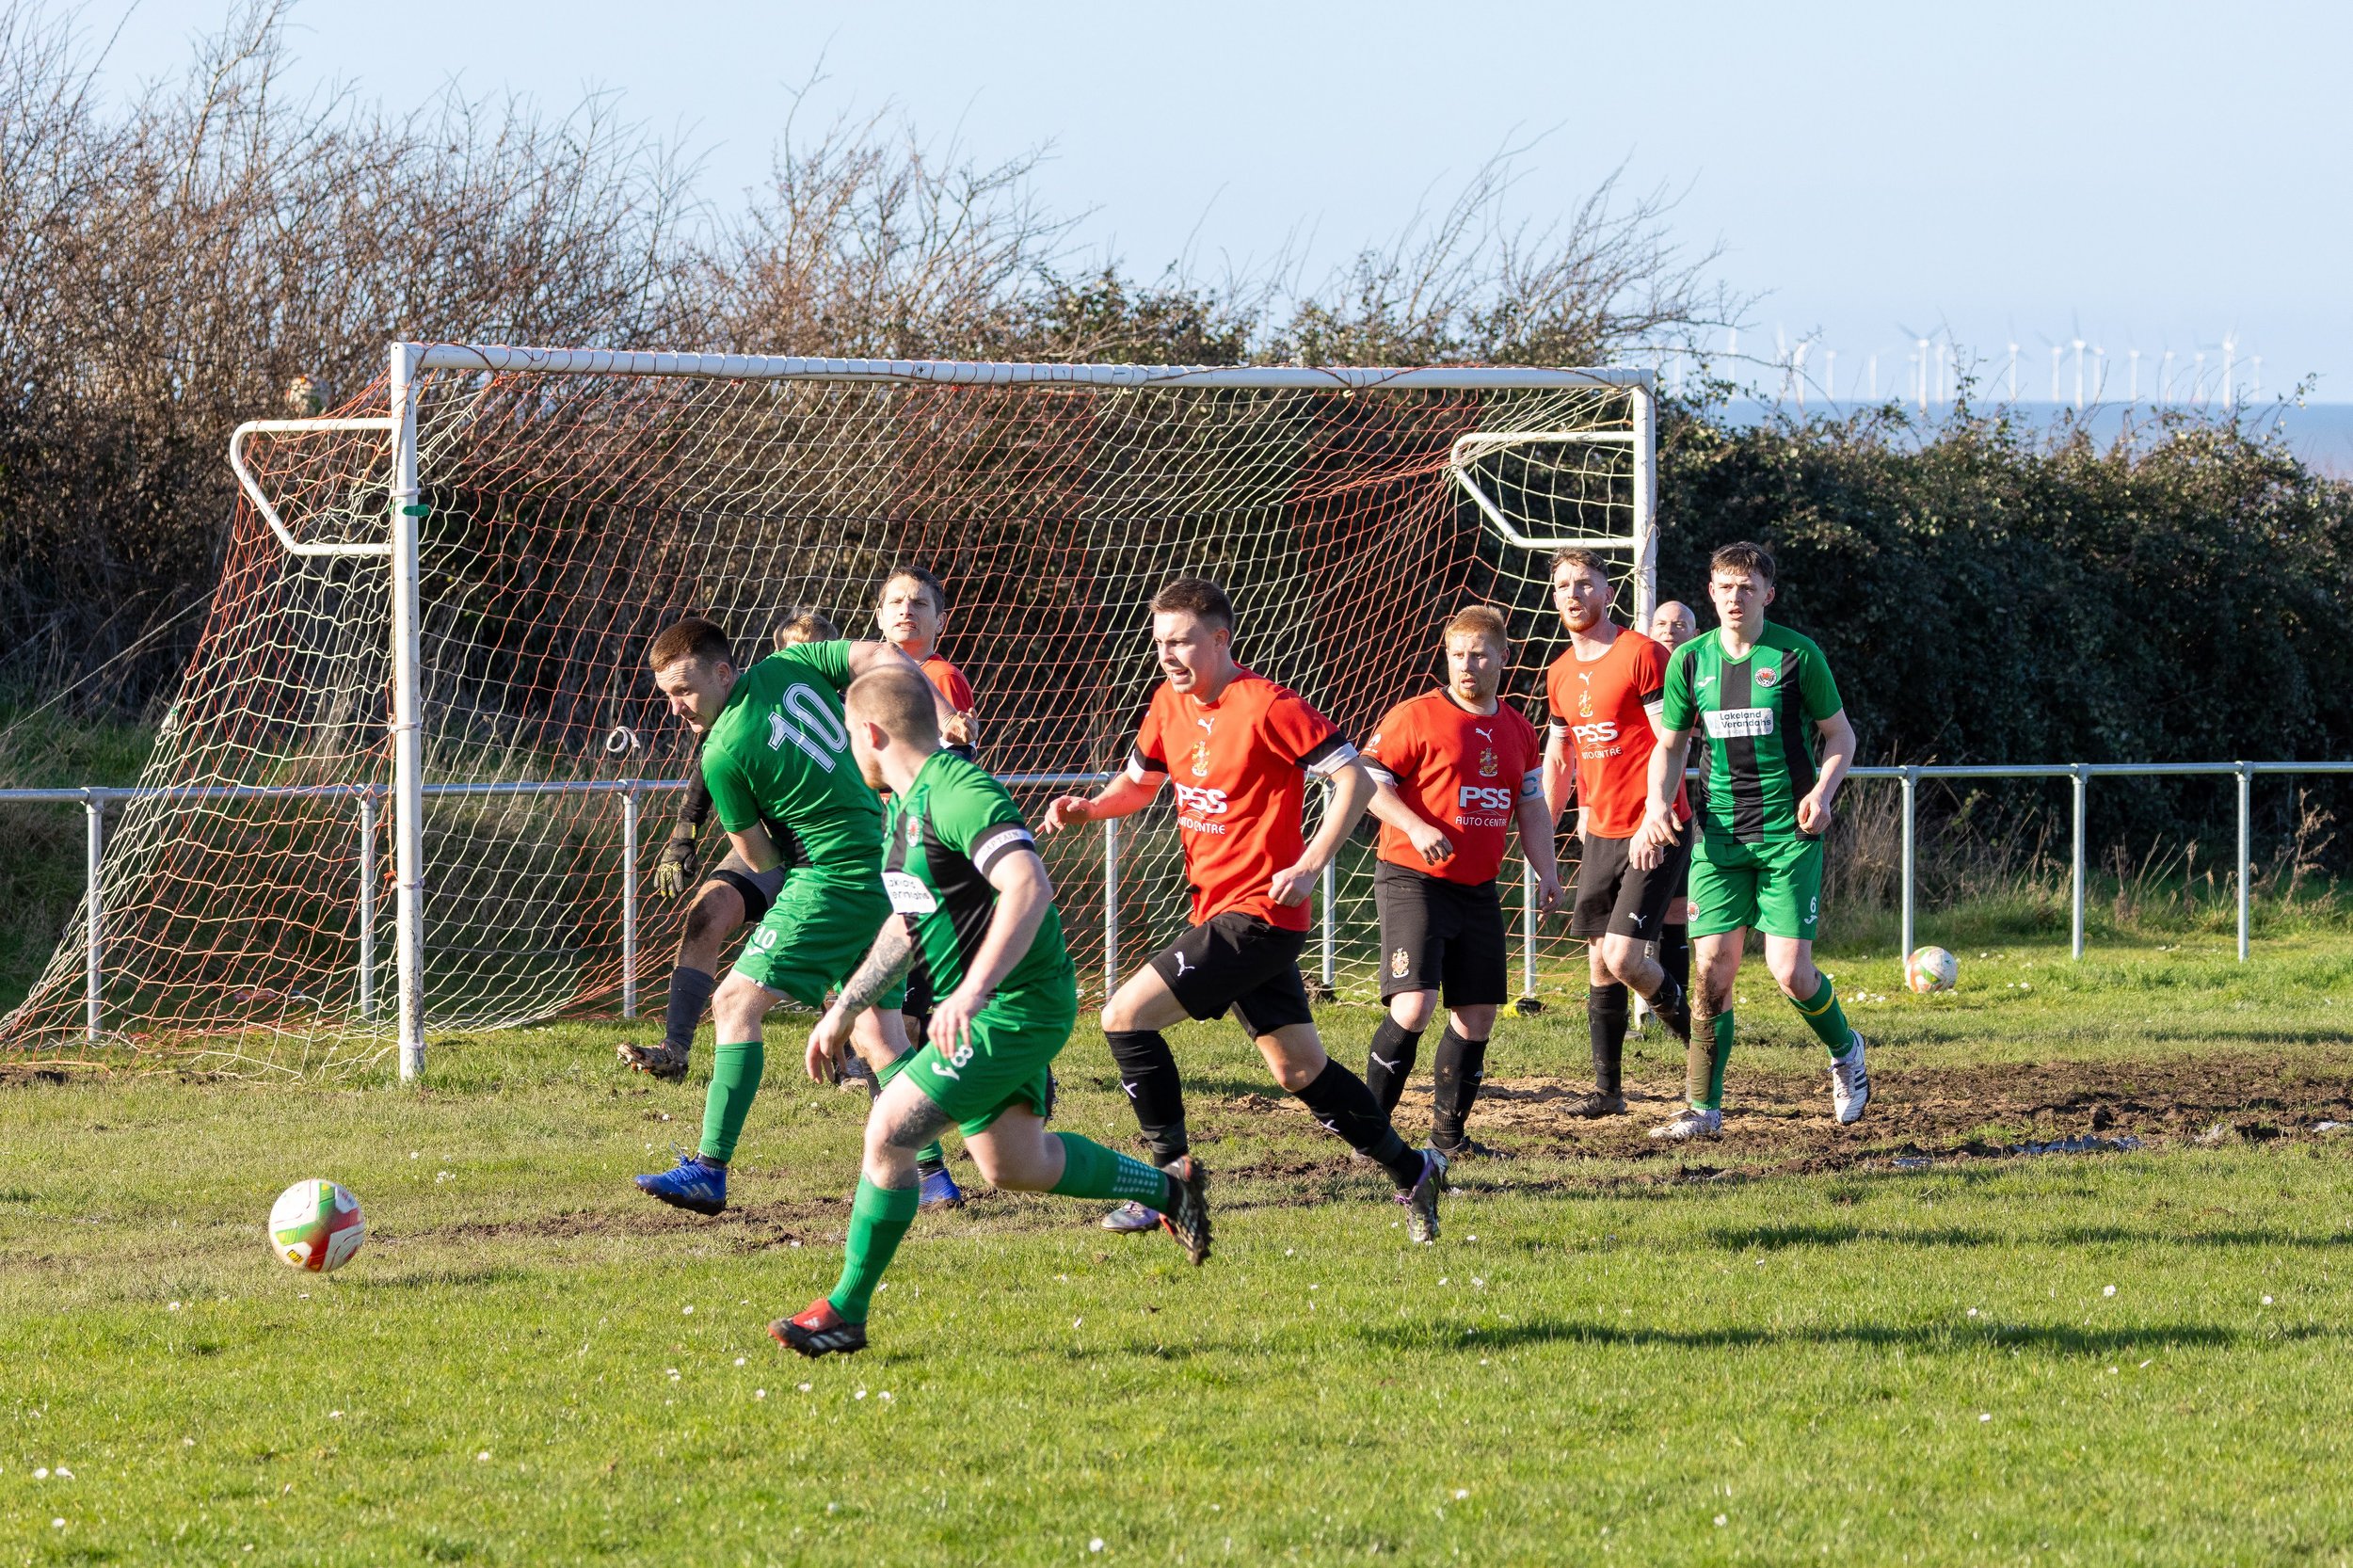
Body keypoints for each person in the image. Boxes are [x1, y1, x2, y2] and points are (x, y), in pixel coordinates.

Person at [773, 666, 1209, 1358]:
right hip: (987, 1006)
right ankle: (1170, 1190)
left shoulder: (956, 790)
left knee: (890, 1130)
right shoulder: (904, 807)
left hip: (1012, 1005)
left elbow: (1026, 883)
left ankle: (846, 1313)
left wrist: (972, 993)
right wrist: (845, 1008)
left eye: (847, 737)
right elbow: (907, 924)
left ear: (871, 732)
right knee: (1013, 1164)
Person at [1040, 577, 1452, 1243]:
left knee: (1122, 1017)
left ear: (1221, 638)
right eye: (1160, 643)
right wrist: (1090, 807)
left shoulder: (1268, 704)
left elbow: (1354, 778)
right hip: (1219, 912)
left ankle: (1169, 1179)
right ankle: (1413, 1169)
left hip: (1260, 913)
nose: (1169, 655)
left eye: (1182, 641)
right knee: (1298, 1070)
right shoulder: (1167, 707)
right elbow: (1139, 785)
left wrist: (1313, 862)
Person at [628, 617, 950, 1215]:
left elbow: (758, 858)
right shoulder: (794, 664)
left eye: (685, 690)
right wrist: (940, 713)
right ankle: (932, 1176)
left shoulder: (722, 750)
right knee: (880, 1033)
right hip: (888, 855)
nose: (677, 709)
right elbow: (879, 652)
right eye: (667, 695)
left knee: (735, 1004)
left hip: (832, 875)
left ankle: (709, 1168)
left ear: (724, 672)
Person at [1639, 540, 1868, 1140]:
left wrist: (1822, 792)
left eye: (1747, 587)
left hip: (1789, 835)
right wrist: (1657, 806)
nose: (1735, 598)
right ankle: (1702, 1109)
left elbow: (1841, 737)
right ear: (1710, 593)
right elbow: (1670, 745)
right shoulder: (1689, 660)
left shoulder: (1797, 655)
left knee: (1790, 972)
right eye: (1724, 587)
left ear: (1769, 593)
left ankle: (1846, 1050)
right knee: (1712, 969)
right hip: (1720, 838)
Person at [1357, 606, 1561, 1157]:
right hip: (1413, 878)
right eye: (1456, 654)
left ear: (1502, 657)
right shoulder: (1415, 716)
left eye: (1478, 654)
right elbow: (1367, 785)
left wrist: (1547, 870)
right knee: (1414, 1006)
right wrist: (1416, 825)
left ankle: (1449, 1139)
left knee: (1476, 1016)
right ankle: (1367, 1135)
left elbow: (1532, 806)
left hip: (1477, 887)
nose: (1466, 665)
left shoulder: (1518, 728)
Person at [619, 609, 842, 1083]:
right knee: (708, 909)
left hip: (837, 853)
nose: (789, 660)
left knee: (841, 954)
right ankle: (675, 1049)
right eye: (783, 650)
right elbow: (711, 765)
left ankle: (855, 1059)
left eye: (805, 651)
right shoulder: (736, 717)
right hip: (775, 845)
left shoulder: (846, 702)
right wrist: (684, 833)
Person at [1541, 550, 1695, 1121]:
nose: (1574, 594)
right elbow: (1560, 757)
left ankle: (1704, 1052)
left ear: (1608, 592)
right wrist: (1544, 839)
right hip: (1600, 830)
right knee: (1600, 963)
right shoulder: (1558, 671)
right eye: (1563, 586)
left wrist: (1659, 810)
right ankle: (1608, 1091)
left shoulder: (1642, 654)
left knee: (1627, 957)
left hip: (1654, 825)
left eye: (1585, 583)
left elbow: (1672, 740)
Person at [858, 565, 983, 1209]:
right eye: (895, 602)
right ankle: (930, 1163)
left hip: (923, 864)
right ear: (877, 616)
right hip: (894, 859)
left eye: (920, 603)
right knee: (896, 1026)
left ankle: (928, 1168)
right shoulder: (872, 679)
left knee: (886, 1029)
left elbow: (950, 764)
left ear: (941, 619)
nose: (907, 610)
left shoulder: (935, 677)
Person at [1644, 600, 1702, 1008]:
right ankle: (1637, 1005)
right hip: (1632, 807)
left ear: (1694, 633)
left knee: (1678, 910)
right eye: (1661, 623)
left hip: (1680, 805)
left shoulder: (1703, 670)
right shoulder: (1637, 668)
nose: (1669, 629)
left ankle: (1676, 1004)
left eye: (1679, 624)